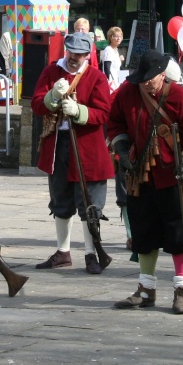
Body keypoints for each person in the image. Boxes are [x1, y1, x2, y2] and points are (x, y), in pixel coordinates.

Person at [109, 50, 183, 315]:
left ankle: (182, 290)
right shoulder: (127, 93)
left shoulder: (179, 97)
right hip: (140, 176)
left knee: (179, 237)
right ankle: (146, 288)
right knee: (144, 235)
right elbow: (115, 123)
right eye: (142, 78)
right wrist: (122, 146)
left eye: (150, 79)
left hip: (172, 178)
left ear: (163, 75)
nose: (145, 83)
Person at [31, 33, 114, 274]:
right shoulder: (50, 72)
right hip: (57, 145)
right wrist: (52, 97)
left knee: (89, 203)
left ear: (88, 55)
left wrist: (79, 111)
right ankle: (63, 252)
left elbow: (103, 113)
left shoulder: (96, 77)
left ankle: (91, 253)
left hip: (88, 146)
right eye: (71, 52)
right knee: (60, 201)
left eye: (79, 54)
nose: (74, 57)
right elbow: (37, 105)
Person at [100, 26, 123, 92]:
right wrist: (111, 83)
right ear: (111, 37)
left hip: (117, 82)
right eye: (116, 36)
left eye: (120, 36)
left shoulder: (116, 50)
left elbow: (118, 68)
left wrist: (123, 81)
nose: (118, 38)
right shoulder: (108, 50)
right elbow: (107, 68)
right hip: (111, 84)